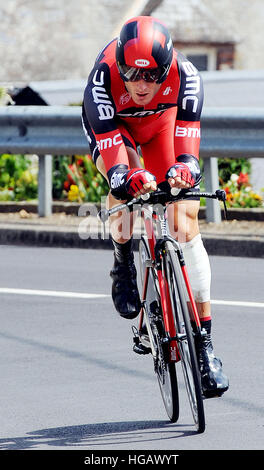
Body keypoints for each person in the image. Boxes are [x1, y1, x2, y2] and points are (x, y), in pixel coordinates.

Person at [82, 16, 229, 398]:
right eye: (132, 74)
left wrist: (185, 169)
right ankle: (123, 261)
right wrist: (123, 176)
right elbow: (113, 160)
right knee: (127, 183)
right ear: (120, 65)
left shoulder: (187, 76)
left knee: (184, 221)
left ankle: (205, 346)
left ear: (167, 68)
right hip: (119, 130)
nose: (142, 85)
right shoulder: (103, 79)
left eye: (152, 77)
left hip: (165, 125)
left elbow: (189, 150)